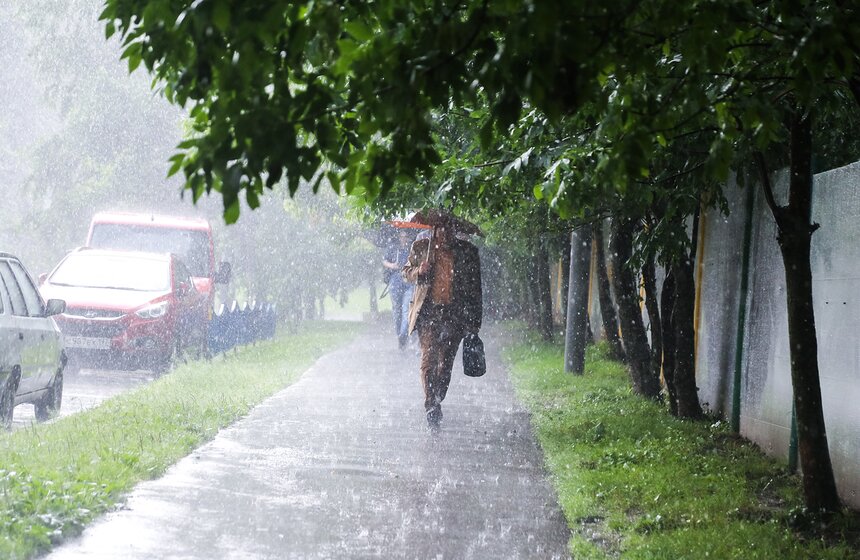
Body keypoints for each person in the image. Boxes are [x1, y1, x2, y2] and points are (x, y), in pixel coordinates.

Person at [402, 216, 482, 427]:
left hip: (455, 316)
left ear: (455, 230)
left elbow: (476, 290)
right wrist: (420, 271)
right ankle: (431, 405)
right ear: (433, 229)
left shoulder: (468, 253)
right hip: (428, 315)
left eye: (449, 228)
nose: (444, 233)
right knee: (428, 362)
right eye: (440, 228)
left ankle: (437, 398)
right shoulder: (421, 247)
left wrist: (475, 323)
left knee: (445, 365)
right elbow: (405, 273)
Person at [383, 229, 415, 349]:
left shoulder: (412, 249)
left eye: (406, 236)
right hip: (395, 281)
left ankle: (403, 335)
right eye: (402, 236)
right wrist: (392, 265)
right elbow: (384, 261)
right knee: (397, 310)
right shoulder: (392, 247)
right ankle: (400, 336)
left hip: (409, 281)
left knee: (407, 310)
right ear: (398, 236)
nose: (404, 238)